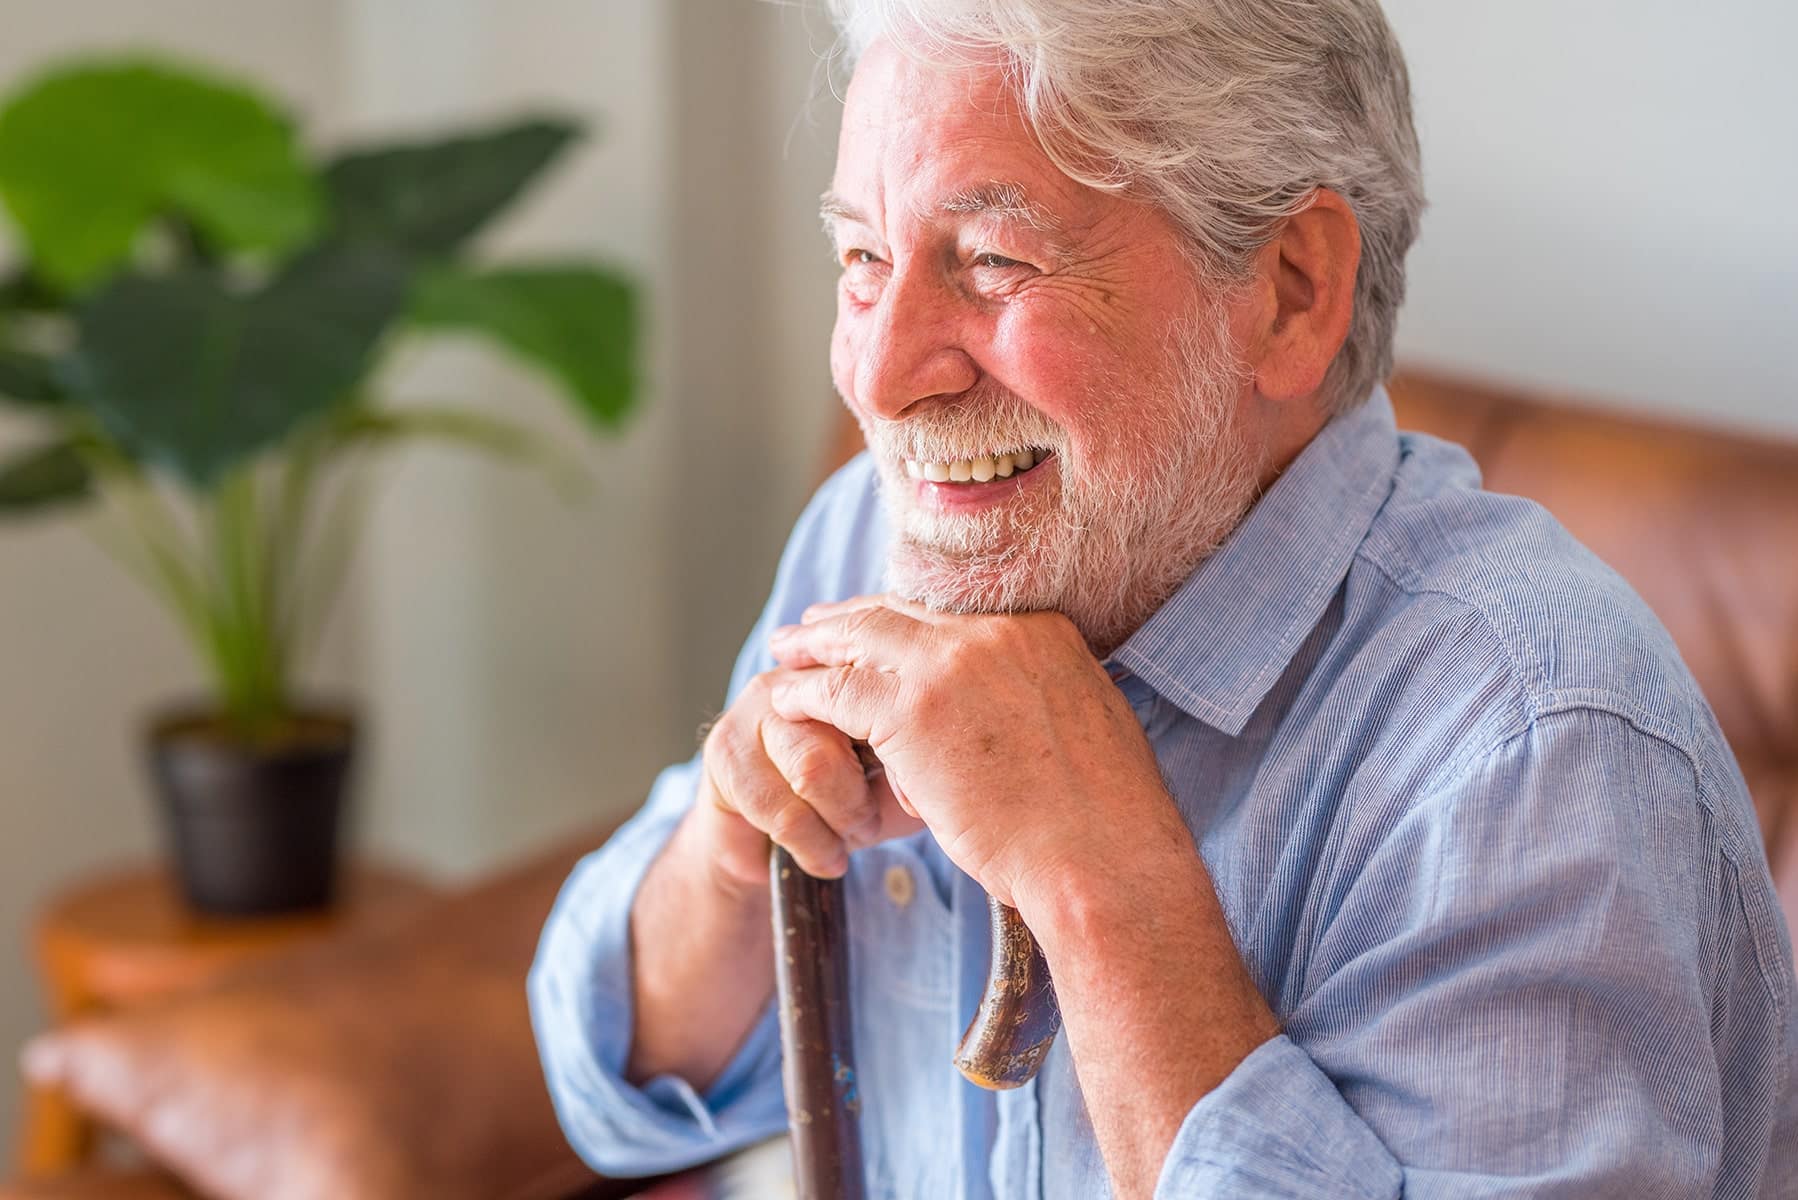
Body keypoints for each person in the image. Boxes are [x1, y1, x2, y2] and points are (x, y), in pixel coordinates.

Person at [529, 1, 1797, 1196]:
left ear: (1290, 289)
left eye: (990, 260)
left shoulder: (1535, 748)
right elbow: (615, 1089)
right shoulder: (880, 529)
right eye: (862, 255)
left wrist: (1096, 876)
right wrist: (729, 861)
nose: (879, 371)